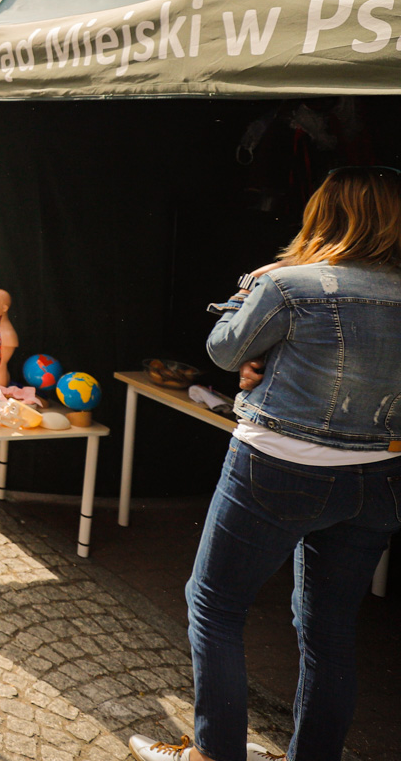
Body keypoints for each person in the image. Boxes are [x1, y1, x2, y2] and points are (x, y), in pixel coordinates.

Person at [129, 168, 401, 761]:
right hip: (377, 478)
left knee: (215, 605)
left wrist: (257, 282)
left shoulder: (291, 286)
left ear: (324, 215)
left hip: (277, 467)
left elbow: (224, 348)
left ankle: (211, 755)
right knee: (329, 633)